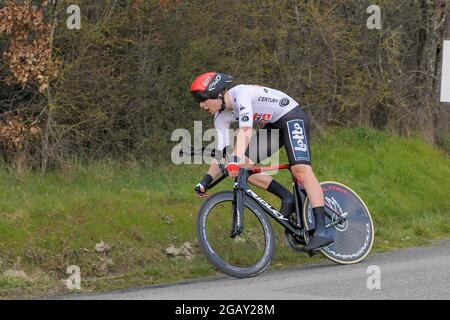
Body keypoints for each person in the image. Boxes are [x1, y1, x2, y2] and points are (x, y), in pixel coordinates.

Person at [190, 72, 333, 252]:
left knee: (300, 171)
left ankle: (322, 229)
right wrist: (205, 181)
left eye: (203, 100)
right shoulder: (220, 118)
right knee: (242, 168)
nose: (201, 105)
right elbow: (222, 155)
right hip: (274, 126)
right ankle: (286, 197)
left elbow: (246, 131)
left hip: (291, 116)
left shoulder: (240, 94)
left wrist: (234, 159)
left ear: (216, 93)